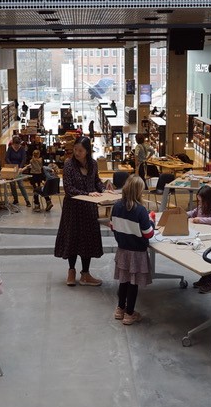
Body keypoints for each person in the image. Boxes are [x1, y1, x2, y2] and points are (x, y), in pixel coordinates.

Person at [55, 136, 111, 286]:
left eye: (80, 150)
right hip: (73, 208)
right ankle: (71, 271)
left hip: (89, 208)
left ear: (87, 151)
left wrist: (104, 190)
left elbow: (96, 181)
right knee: (72, 238)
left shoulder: (93, 164)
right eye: (75, 150)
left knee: (88, 239)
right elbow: (68, 188)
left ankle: (85, 274)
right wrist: (87, 193)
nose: (77, 153)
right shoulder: (68, 165)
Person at [110, 175, 154, 325]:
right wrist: (151, 221)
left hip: (122, 250)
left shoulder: (116, 206)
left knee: (124, 281)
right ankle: (130, 314)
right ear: (138, 192)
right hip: (137, 253)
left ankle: (120, 309)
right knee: (133, 284)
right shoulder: (141, 210)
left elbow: (112, 226)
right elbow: (148, 233)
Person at [187, 186, 211, 293]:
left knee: (209, 258)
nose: (200, 203)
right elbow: (193, 212)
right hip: (200, 236)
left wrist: (200, 219)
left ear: (208, 200)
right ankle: (204, 278)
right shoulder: (200, 207)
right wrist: (184, 214)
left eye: (201, 201)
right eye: (199, 201)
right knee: (201, 257)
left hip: (209, 237)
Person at [5, 136, 31, 207]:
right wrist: (11, 166)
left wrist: (20, 167)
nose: (16, 147)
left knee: (21, 185)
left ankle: (27, 200)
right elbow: (7, 158)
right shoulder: (10, 148)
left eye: (18, 145)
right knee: (12, 185)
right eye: (15, 145)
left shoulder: (22, 149)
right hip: (11, 169)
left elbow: (23, 159)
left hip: (19, 169)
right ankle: (15, 199)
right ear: (13, 144)